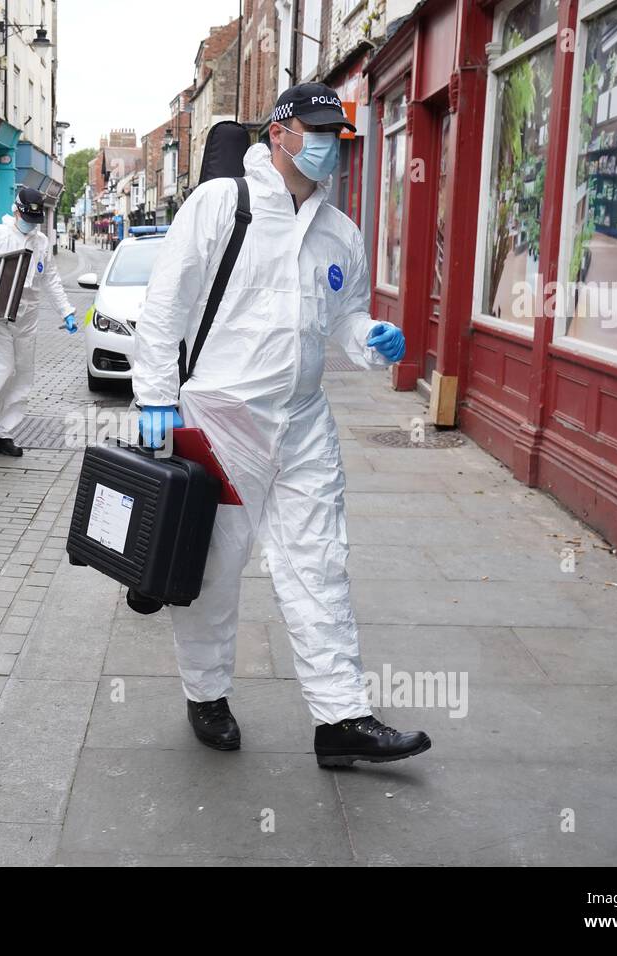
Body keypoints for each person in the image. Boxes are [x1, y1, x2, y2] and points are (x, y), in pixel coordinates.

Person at [131, 83, 429, 768]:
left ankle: (340, 718)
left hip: (302, 423)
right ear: (280, 131)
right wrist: (153, 401)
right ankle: (206, 693)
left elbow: (346, 315)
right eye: (316, 129)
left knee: (320, 563)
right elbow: (164, 306)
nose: (328, 143)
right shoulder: (220, 204)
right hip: (220, 419)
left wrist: (369, 338)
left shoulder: (340, 231)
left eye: (336, 133)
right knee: (213, 569)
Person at [0, 187, 76, 456]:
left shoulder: (41, 242)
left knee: (22, 375)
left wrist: (66, 311)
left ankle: (4, 432)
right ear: (16, 210)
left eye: (35, 219)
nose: (30, 223)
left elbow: (51, 279)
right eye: (27, 217)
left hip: (27, 315)